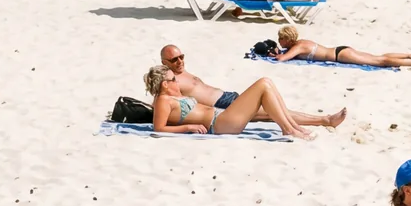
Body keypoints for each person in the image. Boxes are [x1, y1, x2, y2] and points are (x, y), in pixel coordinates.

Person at [144, 60, 346, 138]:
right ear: (164, 84)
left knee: (266, 84)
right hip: (219, 124)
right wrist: (187, 128)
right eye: (173, 79)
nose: (176, 81)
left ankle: (291, 126)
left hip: (221, 117)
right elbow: (159, 128)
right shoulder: (163, 101)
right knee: (263, 84)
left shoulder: (175, 95)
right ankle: (289, 128)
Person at [275, 25, 411, 70]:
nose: (279, 42)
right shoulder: (302, 42)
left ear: (287, 39)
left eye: (280, 39)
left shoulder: (298, 47)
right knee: (377, 57)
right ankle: (410, 55)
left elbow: (282, 59)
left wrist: (273, 54)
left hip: (340, 56)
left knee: (380, 61)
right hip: (341, 50)